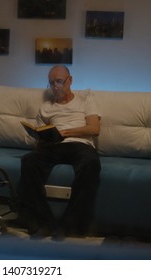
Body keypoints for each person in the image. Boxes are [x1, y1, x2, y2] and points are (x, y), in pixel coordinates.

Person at [17, 65, 101, 240]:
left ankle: (69, 226)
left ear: (70, 81)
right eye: (51, 83)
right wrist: (40, 138)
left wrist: (64, 133)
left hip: (79, 144)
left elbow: (94, 128)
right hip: (53, 146)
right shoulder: (45, 107)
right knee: (29, 161)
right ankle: (44, 223)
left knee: (91, 163)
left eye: (59, 82)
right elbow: (40, 135)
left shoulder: (86, 99)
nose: (55, 86)